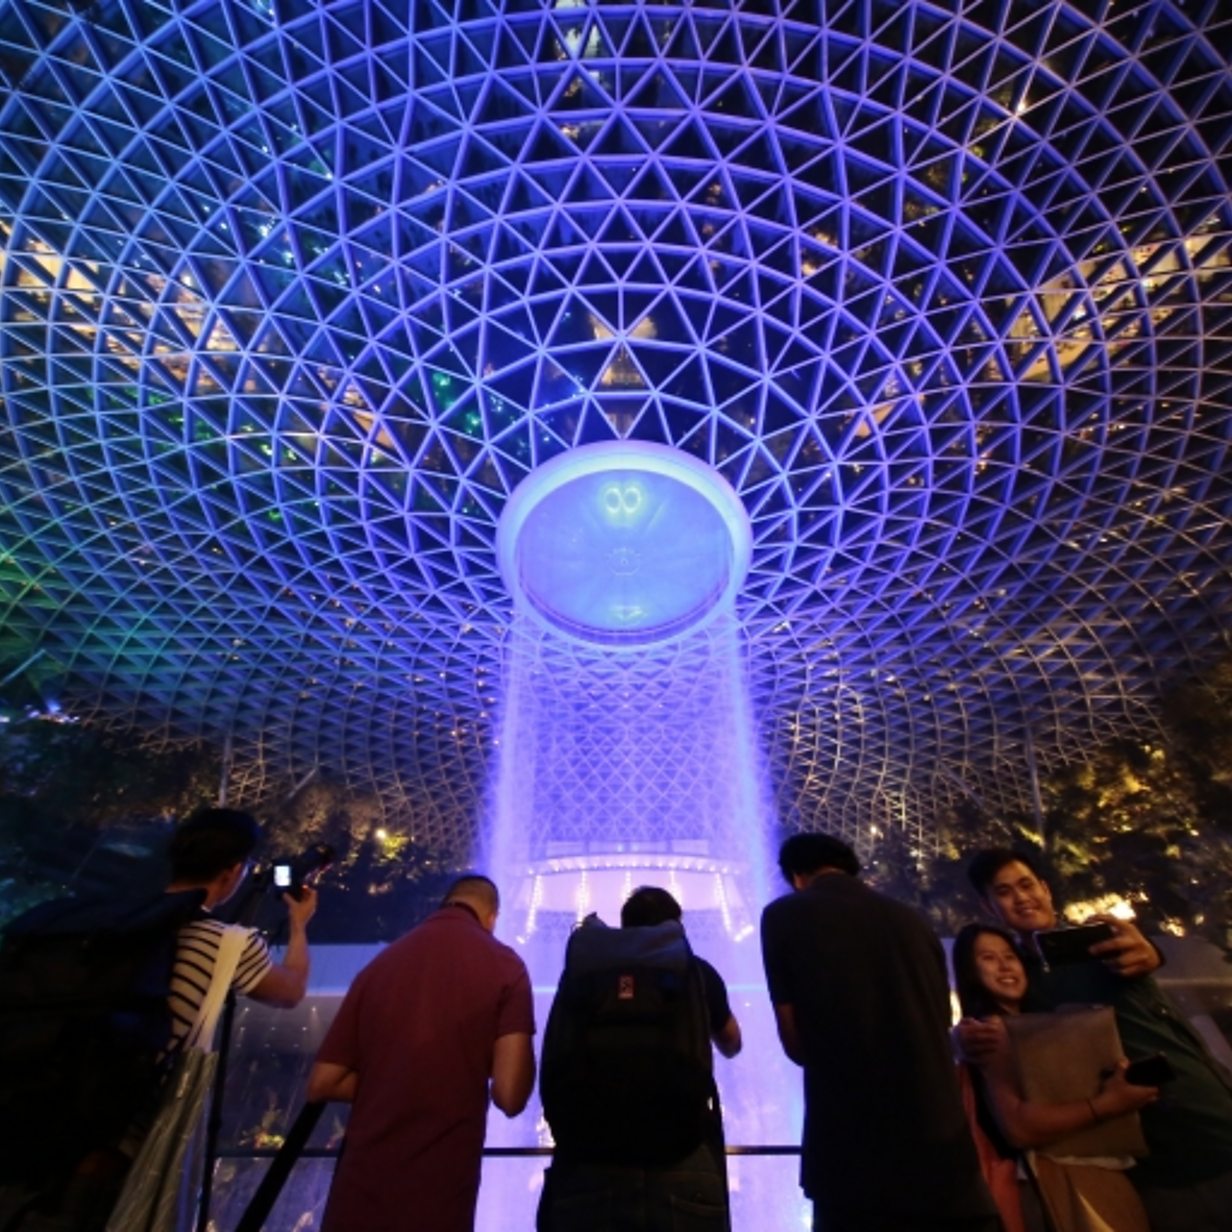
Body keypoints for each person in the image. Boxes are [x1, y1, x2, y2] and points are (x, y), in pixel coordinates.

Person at [0, 806, 316, 1232]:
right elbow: (291, 991)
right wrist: (299, 924)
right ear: (234, 871)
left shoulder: (112, 924)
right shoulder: (228, 943)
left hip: (37, 1119)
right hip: (116, 1146)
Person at [967, 848, 1232, 1232]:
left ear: (1045, 889)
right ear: (989, 907)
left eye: (1027, 885)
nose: (1021, 897)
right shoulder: (1017, 983)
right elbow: (993, 1025)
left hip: (1210, 1122)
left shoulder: (1103, 945)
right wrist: (964, 1035)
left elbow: (1139, 954)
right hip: (1147, 1166)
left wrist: (1149, 950)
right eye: (1004, 892)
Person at [760, 832, 998, 1232]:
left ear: (797, 875)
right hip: (946, 1156)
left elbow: (796, 1040)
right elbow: (939, 1019)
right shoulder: (913, 921)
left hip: (854, 1155)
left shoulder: (785, 915)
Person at [307, 874, 535, 1232]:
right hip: (439, 1192)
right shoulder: (506, 967)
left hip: (359, 1191)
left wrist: (396, 1080)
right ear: (493, 916)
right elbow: (509, 1095)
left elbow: (322, 1082)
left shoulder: (377, 967)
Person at [537, 885, 739, 1232]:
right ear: (675, 927)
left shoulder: (588, 973)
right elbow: (732, 1043)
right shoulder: (696, 973)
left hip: (588, 1159)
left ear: (625, 925)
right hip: (679, 1153)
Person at [952, 922, 1156, 1232]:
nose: (1005, 964)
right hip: (1059, 1181)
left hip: (1091, 1174)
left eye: (1010, 955)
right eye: (988, 958)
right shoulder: (991, 1031)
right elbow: (1019, 1127)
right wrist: (1109, 1103)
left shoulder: (1036, 1021)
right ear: (970, 973)